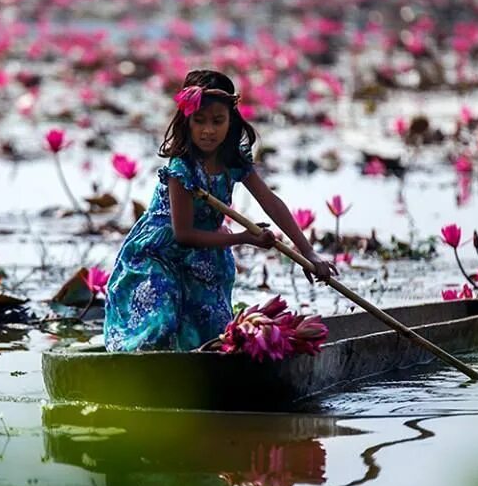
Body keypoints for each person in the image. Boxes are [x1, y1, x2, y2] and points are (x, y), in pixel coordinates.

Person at [103, 69, 336, 352]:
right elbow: (184, 234)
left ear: (231, 121)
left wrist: (307, 253)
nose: (208, 130)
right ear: (186, 122)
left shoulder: (233, 161)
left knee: (210, 337)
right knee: (159, 328)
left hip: (206, 257)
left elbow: (270, 202)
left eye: (217, 121)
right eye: (199, 121)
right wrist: (244, 238)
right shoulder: (182, 168)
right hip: (159, 254)